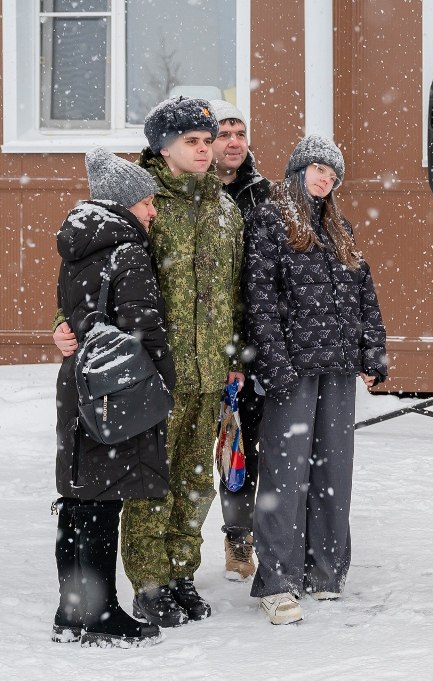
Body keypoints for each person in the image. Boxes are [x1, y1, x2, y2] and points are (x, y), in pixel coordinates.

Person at [245, 135, 388, 625]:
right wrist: (274, 364)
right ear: (297, 170)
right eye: (318, 169)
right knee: (285, 475)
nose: (325, 179)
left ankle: (325, 571)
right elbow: (260, 299)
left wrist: (372, 352)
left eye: (333, 174)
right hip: (294, 369)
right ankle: (277, 581)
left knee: (332, 470)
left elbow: (365, 294)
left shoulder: (340, 229)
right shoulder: (270, 220)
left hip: (338, 369)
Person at [117, 96, 246, 627]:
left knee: (196, 483)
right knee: (152, 479)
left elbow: (236, 293)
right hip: (156, 372)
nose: (204, 149)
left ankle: (179, 574)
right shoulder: (142, 202)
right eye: (191, 141)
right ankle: (149, 583)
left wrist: (236, 356)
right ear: (163, 148)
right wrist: (64, 320)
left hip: (209, 371)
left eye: (207, 140)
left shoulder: (224, 209)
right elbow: (99, 271)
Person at [53, 147, 172, 647]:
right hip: (115, 388)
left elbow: (71, 315)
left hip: (78, 384)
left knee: (78, 499)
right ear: (124, 205)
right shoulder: (127, 250)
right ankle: (101, 617)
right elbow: (144, 329)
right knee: (103, 503)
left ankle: (71, 611)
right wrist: (162, 384)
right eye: (146, 203)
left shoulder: (78, 246)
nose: (152, 212)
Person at [209, 99, 273, 581]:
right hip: (198, 342)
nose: (234, 142)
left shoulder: (264, 194)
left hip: (250, 344)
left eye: (240, 133)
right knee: (197, 454)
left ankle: (240, 539)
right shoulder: (186, 193)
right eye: (223, 133)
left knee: (242, 447)